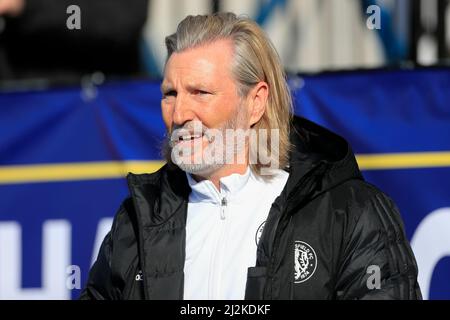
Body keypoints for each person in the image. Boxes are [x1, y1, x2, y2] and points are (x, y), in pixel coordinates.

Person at [80, 12, 422, 300]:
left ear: (256, 101)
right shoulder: (137, 221)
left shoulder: (348, 212)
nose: (180, 112)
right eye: (170, 93)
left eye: (200, 92)